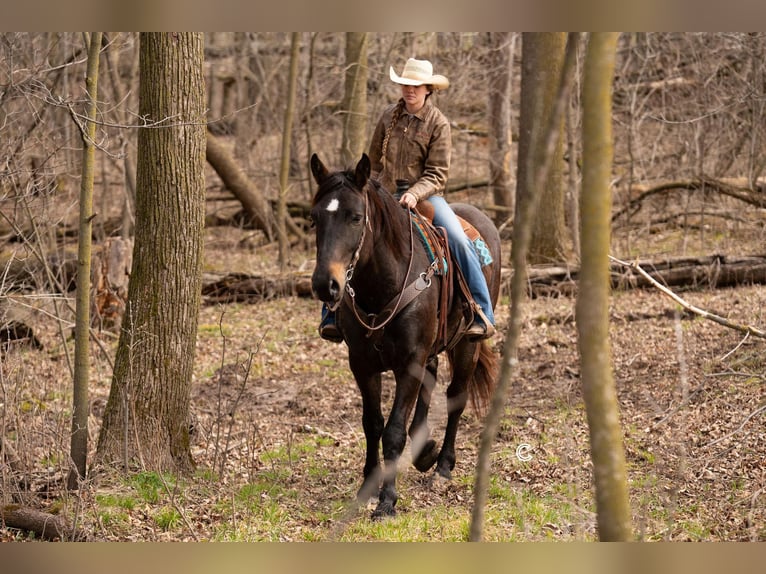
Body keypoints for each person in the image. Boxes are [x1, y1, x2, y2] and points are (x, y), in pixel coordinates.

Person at [320, 57, 495, 342]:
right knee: (345, 231)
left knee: (458, 238)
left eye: (415, 85)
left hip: (425, 198)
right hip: (383, 195)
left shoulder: (438, 123)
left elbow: (438, 173)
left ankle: (480, 311)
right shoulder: (388, 117)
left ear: (428, 89)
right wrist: (364, 190)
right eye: (405, 84)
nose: (409, 90)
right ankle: (332, 312)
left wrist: (414, 193)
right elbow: (373, 163)